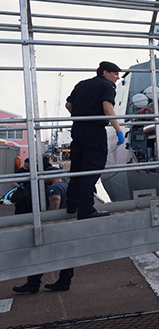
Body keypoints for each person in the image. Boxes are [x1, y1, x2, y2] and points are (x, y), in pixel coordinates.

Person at [65, 61, 125, 219]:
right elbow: (108, 108)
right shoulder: (107, 86)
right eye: (115, 74)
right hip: (94, 131)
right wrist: (119, 131)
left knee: (77, 168)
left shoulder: (82, 84)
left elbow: (68, 105)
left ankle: (72, 205)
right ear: (105, 73)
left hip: (77, 130)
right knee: (92, 170)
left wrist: (80, 116)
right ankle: (86, 209)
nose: (118, 77)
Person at [13, 166, 75, 293]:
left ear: (51, 176)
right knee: (66, 255)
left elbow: (54, 208)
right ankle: (64, 282)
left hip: (55, 227)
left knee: (39, 254)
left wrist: (45, 224)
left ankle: (33, 283)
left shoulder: (54, 189)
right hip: (65, 225)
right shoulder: (64, 186)